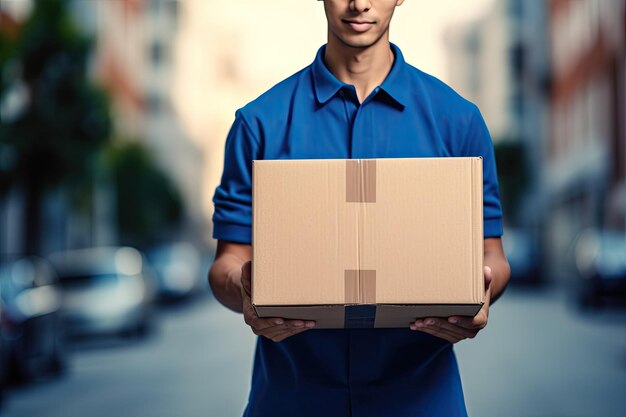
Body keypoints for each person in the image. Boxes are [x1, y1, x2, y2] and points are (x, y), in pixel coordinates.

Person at [208, 1, 511, 416]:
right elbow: (228, 261)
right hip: (291, 400)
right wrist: (246, 294)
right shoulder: (259, 123)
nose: (359, 3)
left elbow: (491, 253)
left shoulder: (457, 122)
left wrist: (481, 294)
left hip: (421, 401)